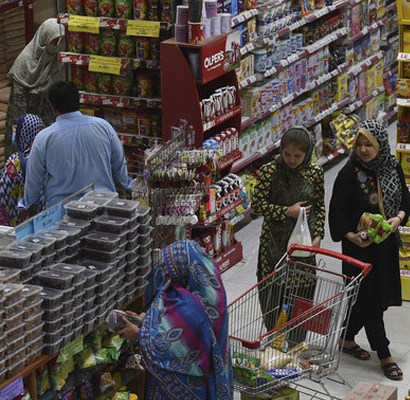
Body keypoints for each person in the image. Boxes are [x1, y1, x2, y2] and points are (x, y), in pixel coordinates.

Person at [328, 119, 410, 381]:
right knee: (370, 300)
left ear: (380, 144)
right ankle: (384, 353)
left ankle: (346, 338)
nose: (363, 149)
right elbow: (337, 210)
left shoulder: (393, 166)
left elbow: (405, 201)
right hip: (358, 249)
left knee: (370, 299)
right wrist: (351, 236)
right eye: (359, 144)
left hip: (384, 247)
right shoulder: (348, 173)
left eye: (369, 144)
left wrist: (397, 219)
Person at [118, 240, 233, 399]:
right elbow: (175, 325)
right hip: (209, 378)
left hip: (191, 385)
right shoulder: (210, 291)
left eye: (169, 270)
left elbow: (173, 347)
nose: (168, 275)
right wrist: (145, 321)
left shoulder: (191, 307)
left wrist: (138, 334)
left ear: (183, 268)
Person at [251, 127, 325, 332]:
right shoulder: (270, 171)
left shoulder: (315, 173)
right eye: (287, 155)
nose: (292, 160)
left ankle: (296, 343)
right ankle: (274, 336)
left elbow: (319, 206)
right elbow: (257, 206)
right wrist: (286, 211)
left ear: (307, 153)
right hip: (273, 244)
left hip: (304, 244)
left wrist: (318, 234)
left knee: (302, 294)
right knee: (273, 292)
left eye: (298, 156)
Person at [19, 81, 130, 210]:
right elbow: (119, 164)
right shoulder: (104, 127)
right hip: (104, 207)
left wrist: (25, 203)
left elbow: (34, 180)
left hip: (64, 214)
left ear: (52, 107)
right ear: (78, 100)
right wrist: (126, 184)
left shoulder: (44, 138)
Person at [5, 18, 63, 154]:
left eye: (58, 42)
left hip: (49, 123)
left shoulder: (56, 60)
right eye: (53, 42)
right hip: (27, 124)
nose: (56, 46)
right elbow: (17, 110)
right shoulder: (25, 63)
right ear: (44, 40)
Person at [0, 114, 44, 226]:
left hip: (21, 223)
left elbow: (3, 197)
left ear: (24, 133)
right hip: (44, 219)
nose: (14, 133)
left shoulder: (16, 161)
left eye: (16, 130)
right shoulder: (46, 156)